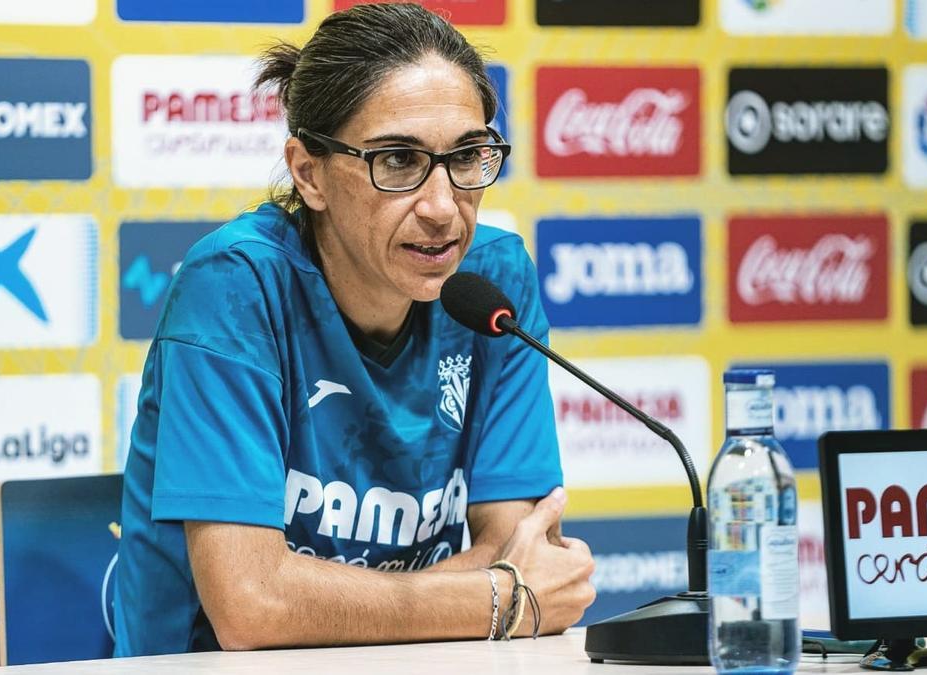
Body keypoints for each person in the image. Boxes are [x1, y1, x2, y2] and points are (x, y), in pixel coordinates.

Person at [112, 3, 595, 655]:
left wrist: (317, 597)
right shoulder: (233, 287)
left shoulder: (495, 282)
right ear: (308, 172)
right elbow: (252, 606)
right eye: (398, 160)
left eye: (468, 156)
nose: (443, 207)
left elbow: (522, 545)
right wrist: (498, 598)